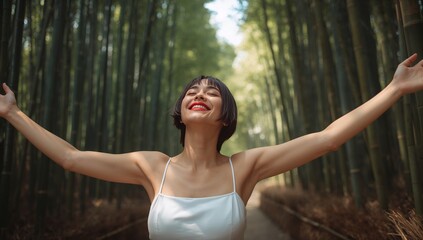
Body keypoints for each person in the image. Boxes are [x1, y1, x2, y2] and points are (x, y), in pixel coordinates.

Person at [0, 54, 422, 239]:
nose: (199, 93)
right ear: (181, 112)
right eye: (192, 90)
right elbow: (71, 159)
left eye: (212, 91)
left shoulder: (246, 167)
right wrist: (13, 114)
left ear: (227, 115)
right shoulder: (152, 166)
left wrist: (395, 89)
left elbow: (328, 139)